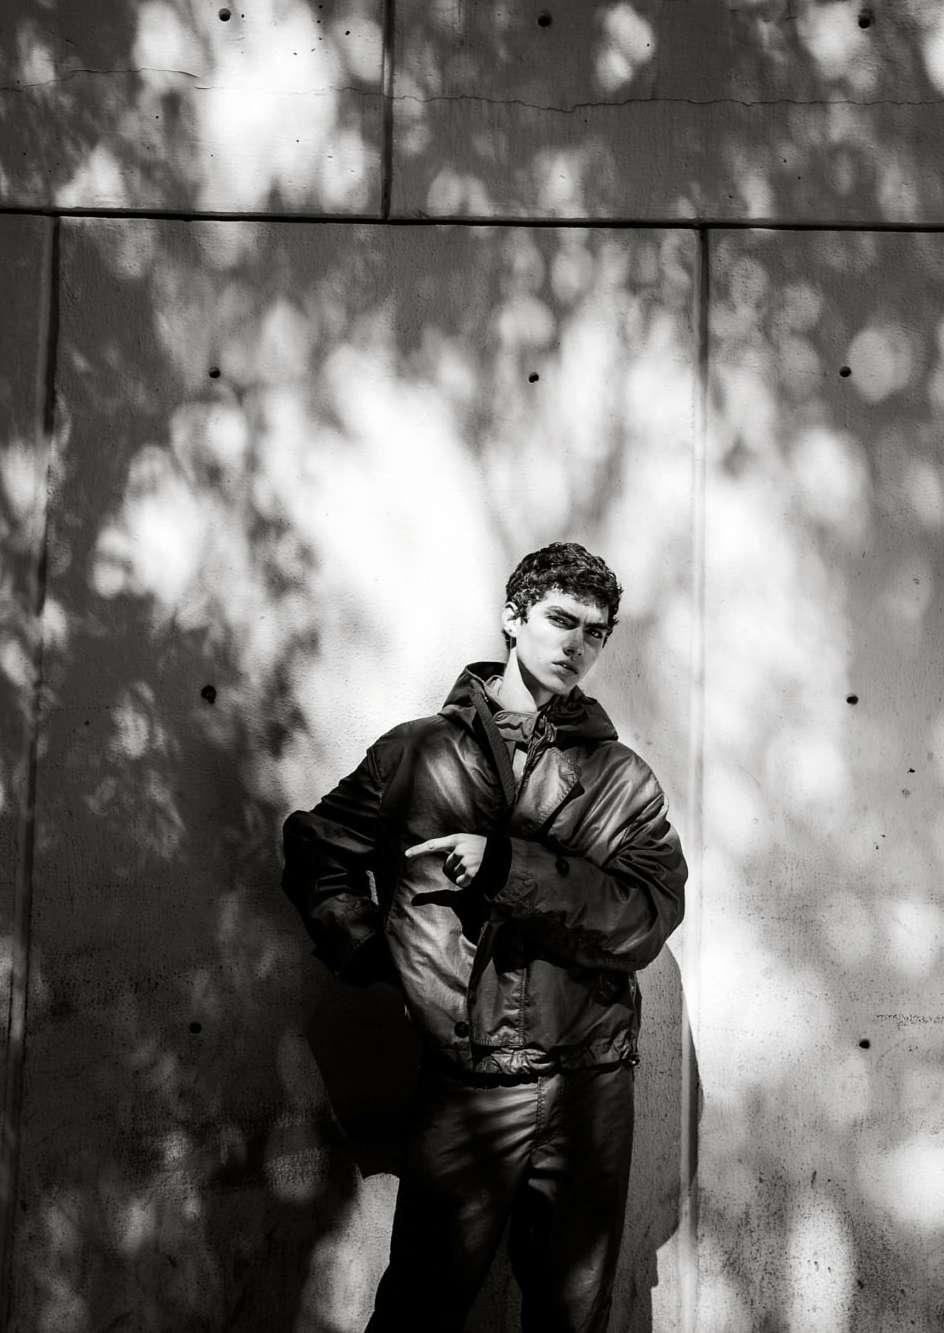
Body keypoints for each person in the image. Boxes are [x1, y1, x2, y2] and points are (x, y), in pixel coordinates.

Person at [281, 541, 687, 1333]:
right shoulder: (415, 754)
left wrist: (506, 866)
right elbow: (318, 851)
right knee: (419, 1310)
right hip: (468, 1084)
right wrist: (385, 955)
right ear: (513, 616)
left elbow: (644, 915)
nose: (577, 644)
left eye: (595, 632)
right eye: (561, 619)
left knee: (571, 1318)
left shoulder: (623, 778)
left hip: (590, 1085)